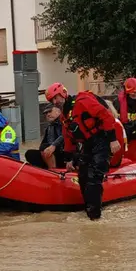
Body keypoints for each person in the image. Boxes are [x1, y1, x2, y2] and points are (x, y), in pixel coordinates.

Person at [45, 82, 120, 221]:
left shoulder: (83, 101)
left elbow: (106, 116)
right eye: (52, 100)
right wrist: (69, 159)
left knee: (93, 179)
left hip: (102, 140)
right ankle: (90, 211)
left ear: (63, 94)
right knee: (83, 177)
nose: (55, 102)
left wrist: (113, 140)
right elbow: (68, 139)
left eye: (56, 98)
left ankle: (95, 218)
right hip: (88, 145)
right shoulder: (64, 117)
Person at [25, 102, 69, 169]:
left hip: (65, 153)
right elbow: (44, 143)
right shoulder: (49, 127)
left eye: (50, 111)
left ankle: (54, 171)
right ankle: (44, 171)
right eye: (46, 113)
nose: (48, 114)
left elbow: (66, 135)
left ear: (59, 111)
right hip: (52, 153)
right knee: (30, 153)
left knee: (45, 147)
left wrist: (53, 145)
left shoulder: (66, 123)